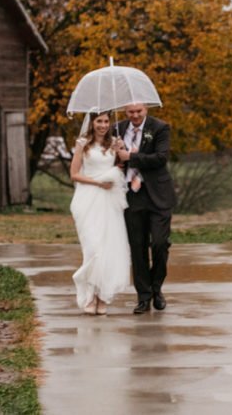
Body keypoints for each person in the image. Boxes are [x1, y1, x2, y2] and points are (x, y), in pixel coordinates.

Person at [116, 102, 177, 314]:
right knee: (137, 247)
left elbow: (161, 158)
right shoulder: (118, 129)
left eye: (138, 111)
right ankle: (143, 296)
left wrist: (131, 157)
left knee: (160, 244)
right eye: (131, 112)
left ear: (146, 109)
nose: (135, 115)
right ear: (125, 111)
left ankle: (157, 288)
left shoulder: (160, 128)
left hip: (157, 194)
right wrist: (118, 161)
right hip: (131, 196)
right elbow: (113, 159)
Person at [69, 111, 132, 315]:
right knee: (93, 248)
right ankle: (88, 296)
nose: (103, 125)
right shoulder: (82, 143)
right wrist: (97, 182)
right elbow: (74, 174)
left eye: (106, 121)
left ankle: (102, 297)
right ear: (92, 123)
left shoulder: (115, 143)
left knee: (108, 248)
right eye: (99, 121)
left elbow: (122, 168)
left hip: (109, 201)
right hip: (88, 198)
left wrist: (121, 154)